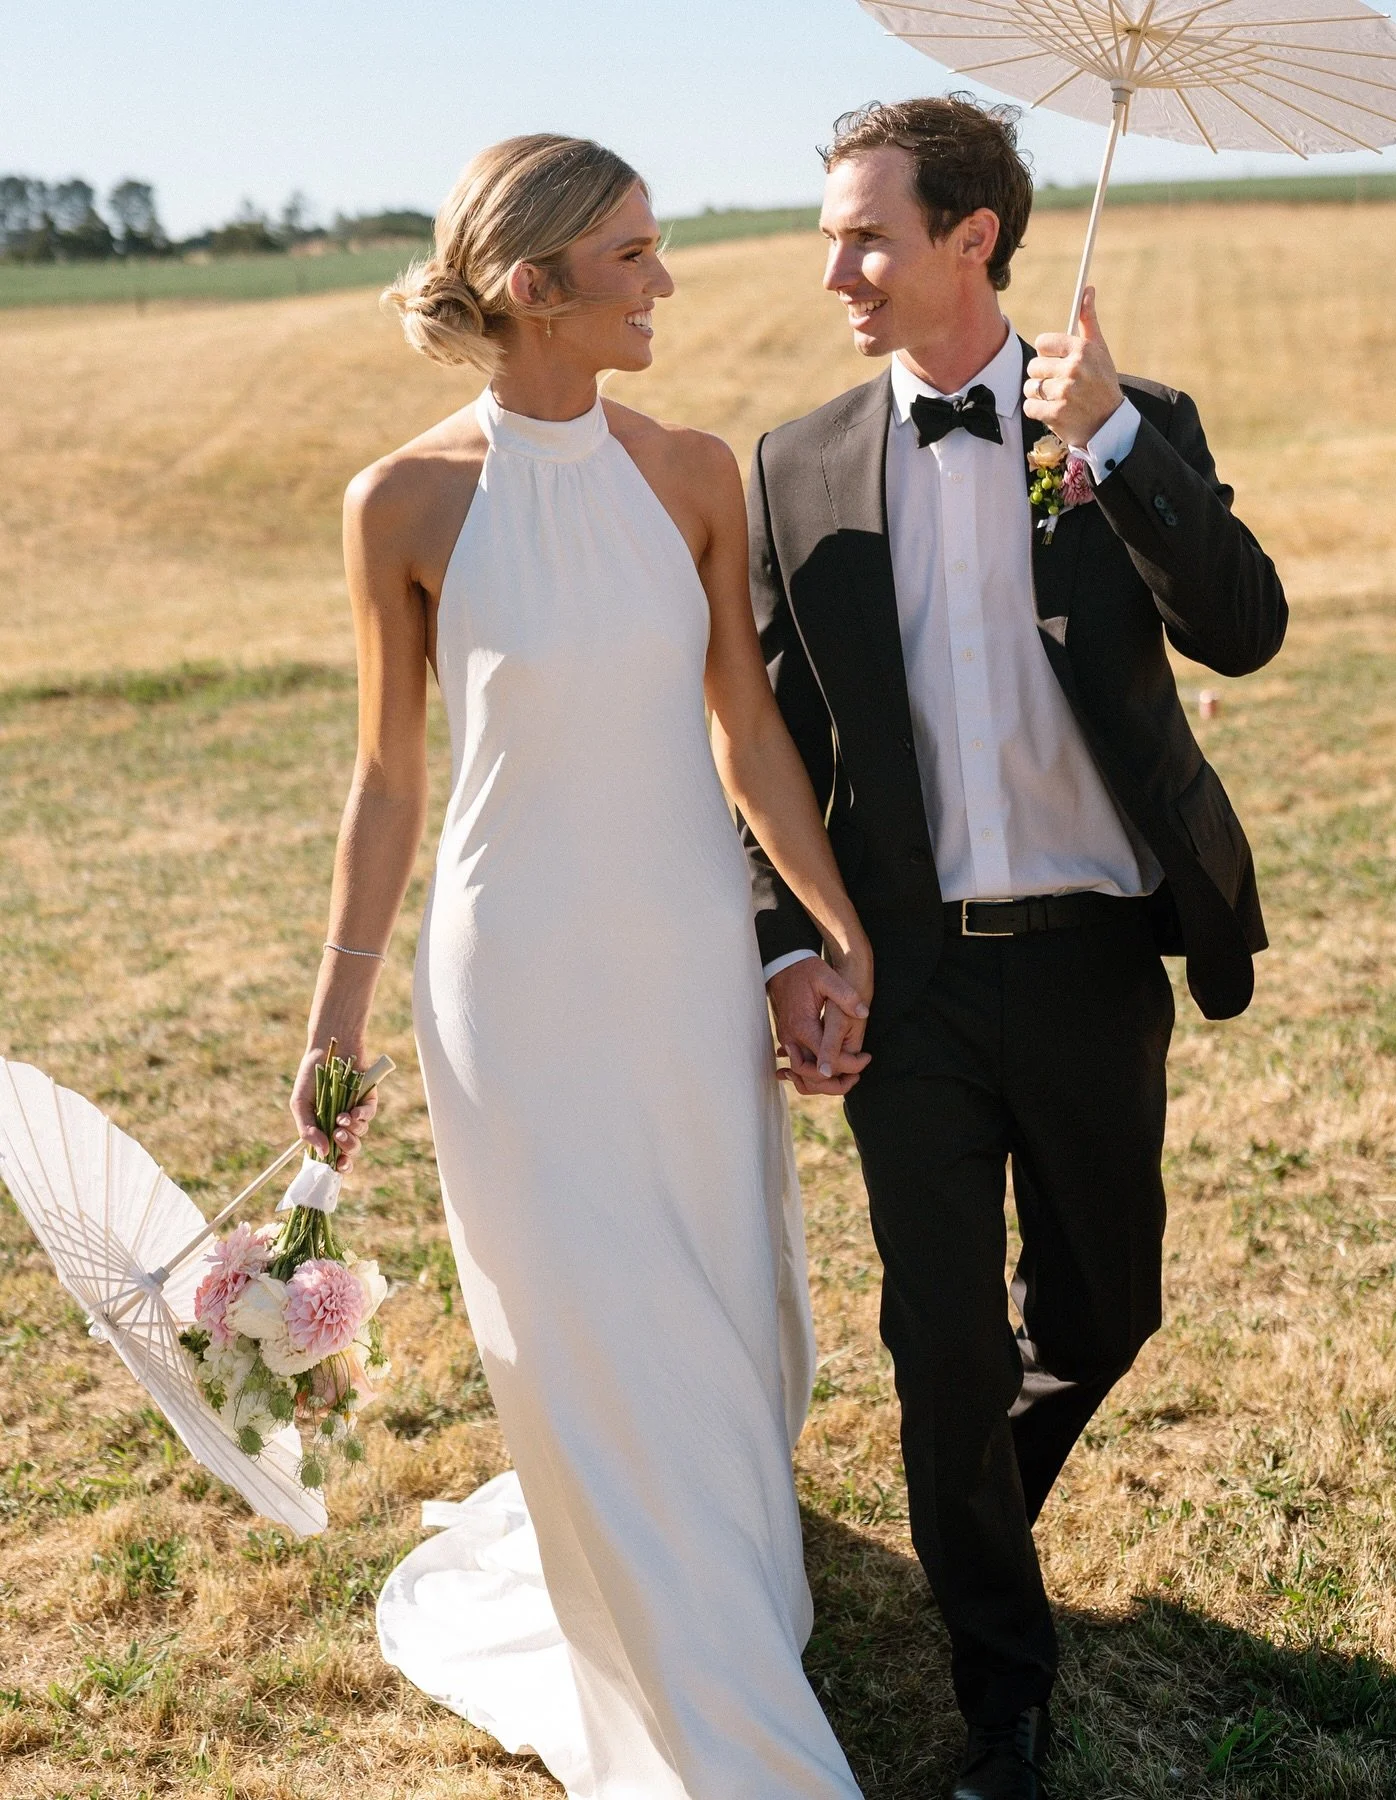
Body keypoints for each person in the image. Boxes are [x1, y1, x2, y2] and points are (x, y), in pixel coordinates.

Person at [288, 135, 874, 1800]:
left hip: (685, 958)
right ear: (534, 286)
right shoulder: (400, 502)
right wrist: (337, 1011)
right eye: (632, 257)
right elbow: (391, 777)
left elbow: (743, 726)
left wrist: (832, 922)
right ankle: (708, 1726)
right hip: (508, 984)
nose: (666, 281)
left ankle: (722, 1609)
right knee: (582, 1327)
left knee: (714, 1314)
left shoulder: (693, 472)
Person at [745, 96, 1287, 1800]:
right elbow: (760, 738)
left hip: (1094, 959)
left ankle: (960, 1516)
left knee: (1106, 1307)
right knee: (943, 1343)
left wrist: (1117, 436)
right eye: (833, 233)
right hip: (903, 978)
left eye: (868, 235)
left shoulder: (1129, 423)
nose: (836, 267)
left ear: (973, 236)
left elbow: (1246, 630)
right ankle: (1003, 1692)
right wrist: (786, 948)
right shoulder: (798, 463)